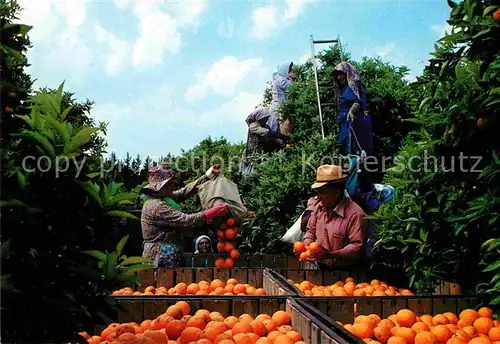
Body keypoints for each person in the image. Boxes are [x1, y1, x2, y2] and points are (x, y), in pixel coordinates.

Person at [140, 164, 229, 267]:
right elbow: (186, 220)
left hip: (167, 254)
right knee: (162, 282)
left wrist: (208, 175)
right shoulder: (157, 206)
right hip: (159, 257)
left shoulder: (163, 198)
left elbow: (185, 192)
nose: (173, 185)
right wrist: (213, 211)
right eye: (170, 183)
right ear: (163, 186)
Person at [303, 164, 368, 268]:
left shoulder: (355, 214)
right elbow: (310, 230)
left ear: (337, 193)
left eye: (322, 192)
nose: (318, 197)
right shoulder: (319, 208)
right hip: (321, 268)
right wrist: (306, 247)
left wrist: (332, 255)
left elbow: (357, 246)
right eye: (318, 192)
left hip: (347, 274)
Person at [333, 62, 374, 157]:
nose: (339, 78)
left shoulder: (355, 85)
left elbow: (358, 100)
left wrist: (352, 111)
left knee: (356, 143)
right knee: (345, 143)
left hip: (355, 118)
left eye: (341, 74)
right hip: (345, 120)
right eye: (337, 75)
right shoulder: (343, 88)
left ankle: (359, 166)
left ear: (346, 73)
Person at [240, 107, 288, 180]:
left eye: (267, 118)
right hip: (253, 153)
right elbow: (268, 133)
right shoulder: (253, 126)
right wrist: (282, 137)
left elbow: (270, 136)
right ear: (260, 117)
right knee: (252, 173)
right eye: (265, 118)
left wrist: (279, 140)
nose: (266, 120)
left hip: (262, 152)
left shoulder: (266, 126)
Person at [269, 61, 295, 135]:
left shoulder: (282, 79)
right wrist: (292, 79)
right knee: (283, 128)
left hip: (281, 107)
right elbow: (291, 88)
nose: (291, 71)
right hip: (279, 107)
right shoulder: (281, 80)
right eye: (289, 69)